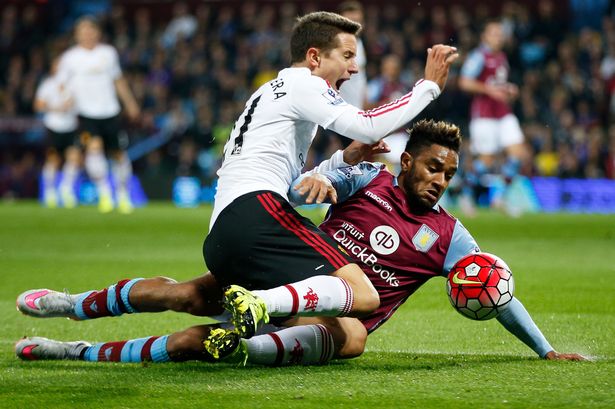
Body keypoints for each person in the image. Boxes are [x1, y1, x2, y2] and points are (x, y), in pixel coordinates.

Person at [14, 120, 584, 365]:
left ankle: (77, 354)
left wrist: (544, 348)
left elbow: (497, 291)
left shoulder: (449, 236)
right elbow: (311, 185)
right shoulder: (368, 179)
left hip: (322, 325)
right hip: (283, 274)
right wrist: (318, 179)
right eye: (433, 167)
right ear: (407, 161)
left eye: (449, 175)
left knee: (200, 341)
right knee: (184, 294)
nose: (440, 181)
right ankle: (73, 305)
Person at [57, 16, 140, 213]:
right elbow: (61, 84)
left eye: (90, 30)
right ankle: (104, 193)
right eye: (83, 30)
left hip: (110, 111)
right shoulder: (70, 58)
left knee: (119, 154)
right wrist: (67, 97)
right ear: (77, 34)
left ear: (97, 32)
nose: (87, 34)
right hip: (86, 114)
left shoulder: (108, 53)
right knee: (93, 149)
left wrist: (130, 103)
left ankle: (122, 194)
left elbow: (118, 80)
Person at [458, 20, 528, 213]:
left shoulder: (502, 57)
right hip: (484, 114)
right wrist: (488, 90)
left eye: (500, 34)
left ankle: (500, 197)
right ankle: (466, 194)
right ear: (484, 36)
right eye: (494, 33)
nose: (498, 37)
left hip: (503, 112)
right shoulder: (478, 56)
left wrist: (508, 89)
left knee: (518, 153)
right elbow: (464, 82)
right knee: (486, 161)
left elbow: (497, 83)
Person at [33, 57, 81, 208]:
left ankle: (66, 189)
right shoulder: (47, 85)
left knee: (74, 158)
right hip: (53, 126)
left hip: (71, 126)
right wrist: (56, 108)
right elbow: (38, 105)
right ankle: (49, 192)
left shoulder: (75, 84)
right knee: (53, 159)